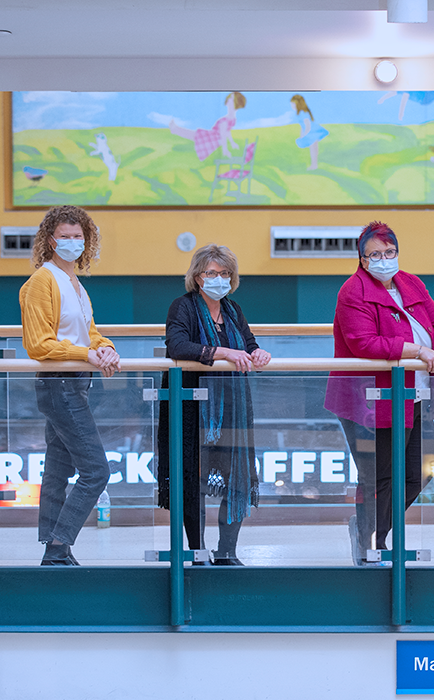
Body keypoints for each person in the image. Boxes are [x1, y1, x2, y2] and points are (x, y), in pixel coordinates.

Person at [325, 222, 434, 565]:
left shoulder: (410, 282)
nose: (384, 259)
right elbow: (363, 342)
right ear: (363, 260)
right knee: (379, 476)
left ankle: (367, 527)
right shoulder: (352, 292)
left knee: (422, 471)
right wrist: (418, 352)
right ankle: (375, 542)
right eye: (375, 254)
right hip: (370, 399)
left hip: (415, 395)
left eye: (390, 252)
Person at [19, 205, 121, 565]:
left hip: (77, 382)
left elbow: (89, 333)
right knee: (97, 470)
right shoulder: (40, 283)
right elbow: (39, 343)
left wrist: (105, 348)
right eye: (65, 236)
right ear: (50, 240)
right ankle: (59, 546)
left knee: (59, 469)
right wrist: (86, 354)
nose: (73, 242)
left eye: (78, 237)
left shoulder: (75, 284)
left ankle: (52, 548)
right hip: (58, 384)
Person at [157, 244, 271, 565]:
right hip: (192, 408)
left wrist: (258, 353)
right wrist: (223, 353)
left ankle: (227, 551)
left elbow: (248, 345)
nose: (218, 279)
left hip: (233, 409)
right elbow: (177, 345)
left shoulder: (233, 310)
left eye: (224, 273)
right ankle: (198, 551)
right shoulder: (183, 307)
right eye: (211, 273)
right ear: (197, 276)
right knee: (192, 477)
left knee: (238, 476)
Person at [168, 91, 246, 161]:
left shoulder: (226, 121)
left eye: (231, 99)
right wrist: (232, 143)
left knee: (194, 135)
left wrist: (225, 150)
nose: (228, 100)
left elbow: (224, 134)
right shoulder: (231, 119)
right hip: (213, 136)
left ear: (236, 102)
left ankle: (175, 129)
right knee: (194, 135)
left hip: (213, 137)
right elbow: (227, 132)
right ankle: (175, 129)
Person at [291, 95, 329, 170]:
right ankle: (314, 165)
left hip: (313, 132)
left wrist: (305, 134)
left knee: (313, 149)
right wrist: (302, 135)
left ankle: (314, 165)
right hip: (310, 132)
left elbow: (307, 125)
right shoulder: (300, 113)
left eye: (293, 104)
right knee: (313, 149)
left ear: (298, 104)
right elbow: (303, 126)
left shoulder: (303, 112)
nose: (292, 106)